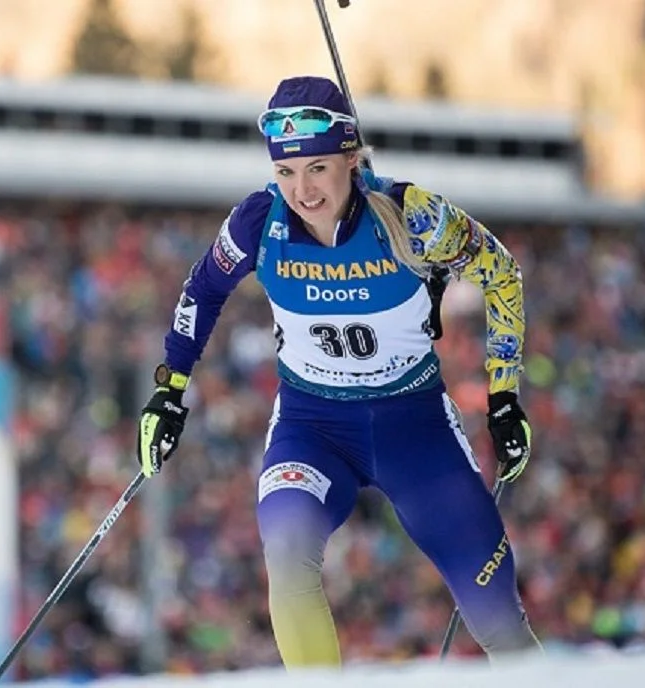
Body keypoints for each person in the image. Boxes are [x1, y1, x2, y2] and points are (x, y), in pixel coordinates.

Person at [136, 76, 542, 667]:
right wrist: (169, 389)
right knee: (286, 548)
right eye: (286, 172)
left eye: (318, 168)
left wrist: (504, 396)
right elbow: (203, 289)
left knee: (499, 622)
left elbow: (501, 273)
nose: (302, 190)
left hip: (415, 429)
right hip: (314, 426)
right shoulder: (258, 222)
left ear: (352, 159)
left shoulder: (411, 215)